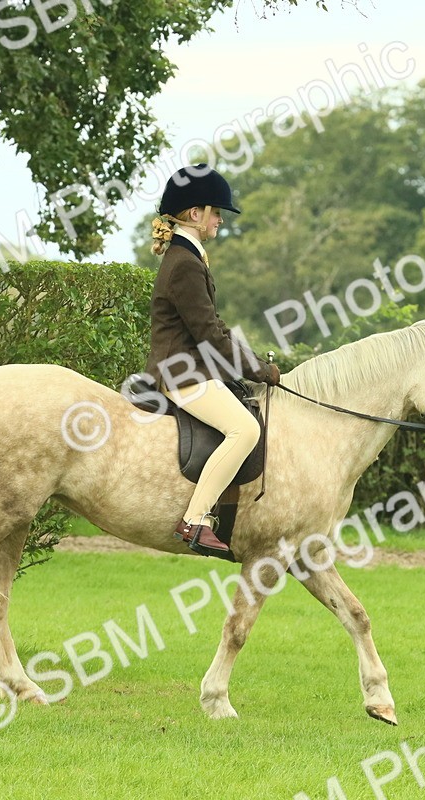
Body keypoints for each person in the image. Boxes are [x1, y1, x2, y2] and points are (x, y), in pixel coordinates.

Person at [143, 164, 281, 558]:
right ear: (194, 214)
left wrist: (250, 362)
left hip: (189, 368)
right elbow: (208, 333)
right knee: (244, 429)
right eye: (216, 212)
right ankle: (195, 519)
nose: (221, 219)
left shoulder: (189, 256)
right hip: (181, 372)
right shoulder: (185, 263)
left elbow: (212, 326)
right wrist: (258, 369)